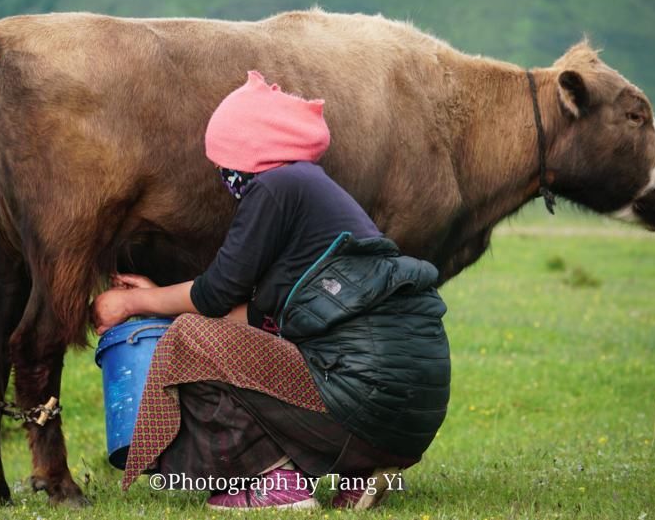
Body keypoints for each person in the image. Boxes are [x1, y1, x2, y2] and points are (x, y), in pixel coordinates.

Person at [93, 71, 451, 510]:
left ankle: (272, 481)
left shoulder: (274, 187)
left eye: (223, 157)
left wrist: (132, 301)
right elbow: (250, 318)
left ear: (244, 149)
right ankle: (361, 468)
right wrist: (158, 297)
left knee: (187, 340)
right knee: (232, 340)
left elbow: (216, 295)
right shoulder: (317, 194)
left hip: (363, 391)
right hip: (405, 414)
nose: (222, 172)